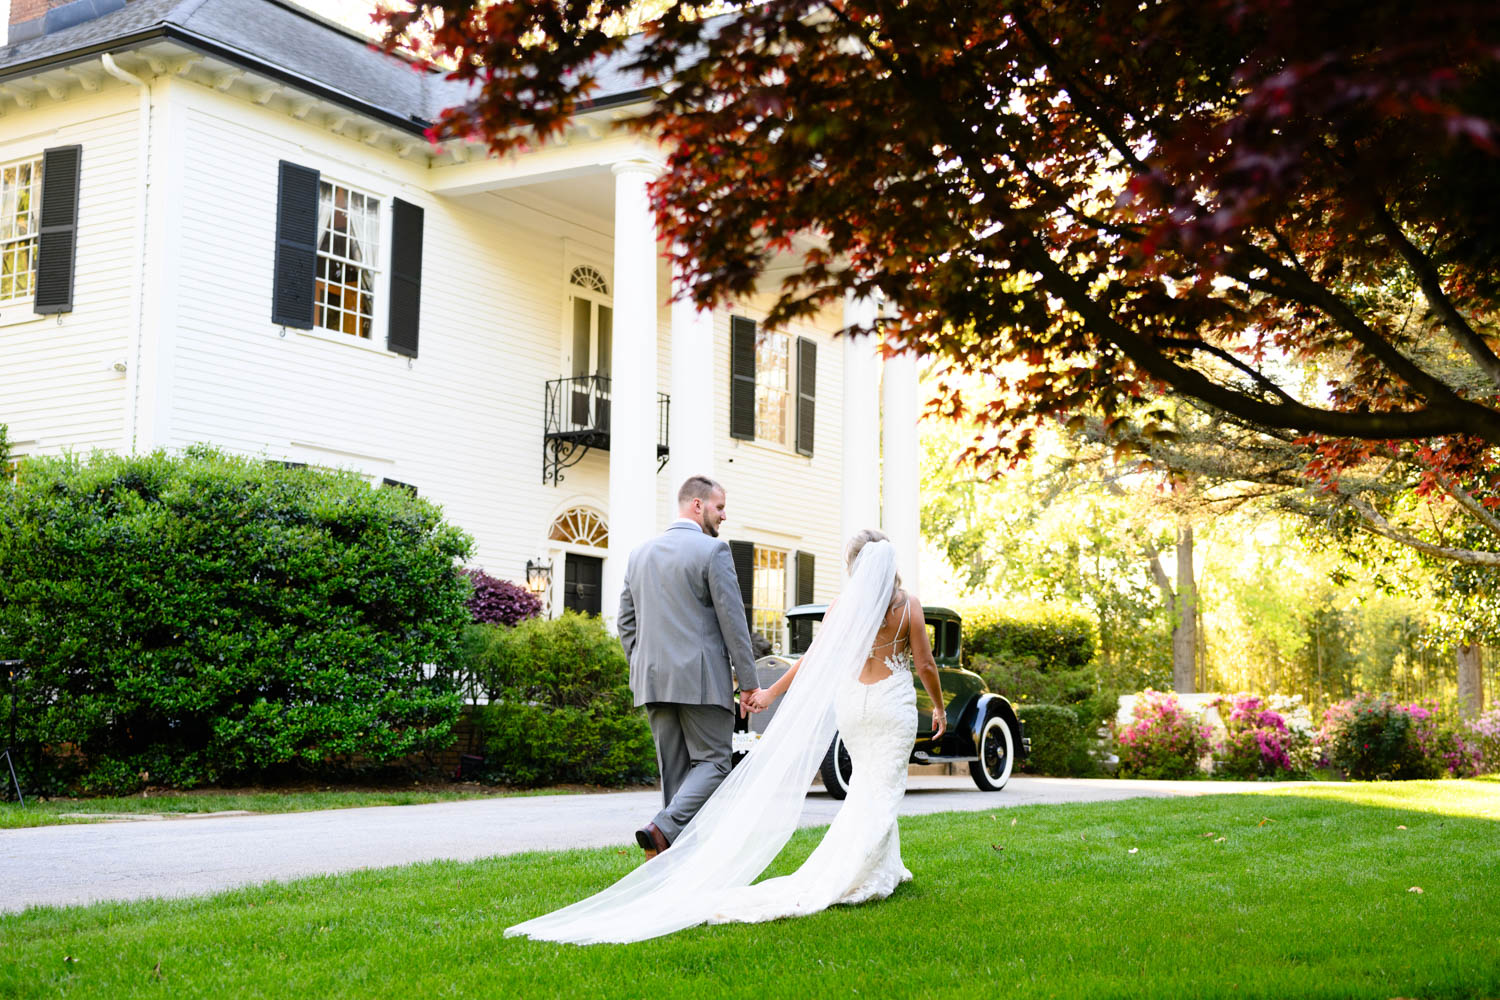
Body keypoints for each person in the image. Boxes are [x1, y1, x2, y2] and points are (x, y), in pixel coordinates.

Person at [506, 530, 943, 945]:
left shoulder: (840, 609)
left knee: (867, 789)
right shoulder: (908, 608)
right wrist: (938, 706)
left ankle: (885, 865)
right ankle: (856, 873)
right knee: (881, 790)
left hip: (855, 707)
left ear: (855, 566)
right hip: (889, 706)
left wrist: (771, 691)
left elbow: (811, 660)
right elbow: (924, 664)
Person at [617, 475, 763, 858]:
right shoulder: (713, 552)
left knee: (676, 776)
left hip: (652, 683)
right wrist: (748, 683)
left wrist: (644, 666)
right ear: (697, 505)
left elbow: (625, 624)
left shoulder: (639, 554)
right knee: (715, 764)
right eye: (719, 507)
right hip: (701, 682)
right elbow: (734, 622)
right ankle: (661, 828)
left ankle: (673, 863)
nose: (724, 515)